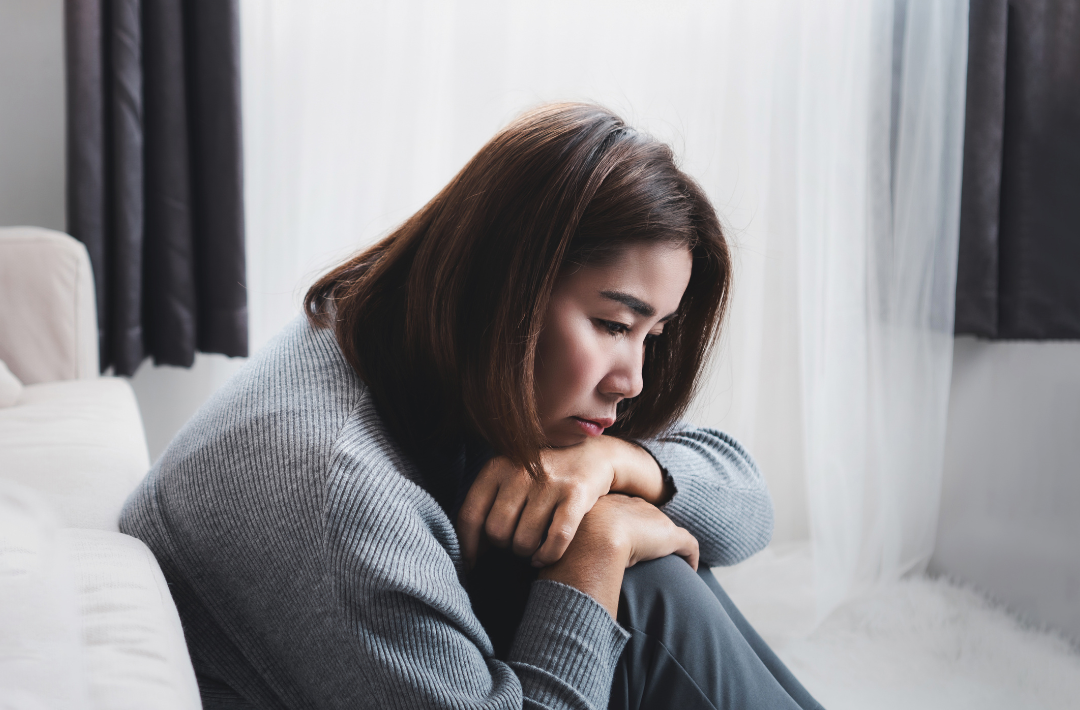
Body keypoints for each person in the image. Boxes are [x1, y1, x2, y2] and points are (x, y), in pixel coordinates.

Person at [120, 103, 824, 710]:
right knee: (644, 587)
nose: (633, 379)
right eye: (614, 324)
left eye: (653, 333)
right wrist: (602, 545)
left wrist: (622, 465)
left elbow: (745, 507)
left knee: (625, 537)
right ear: (504, 286)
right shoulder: (342, 497)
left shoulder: (401, 336)